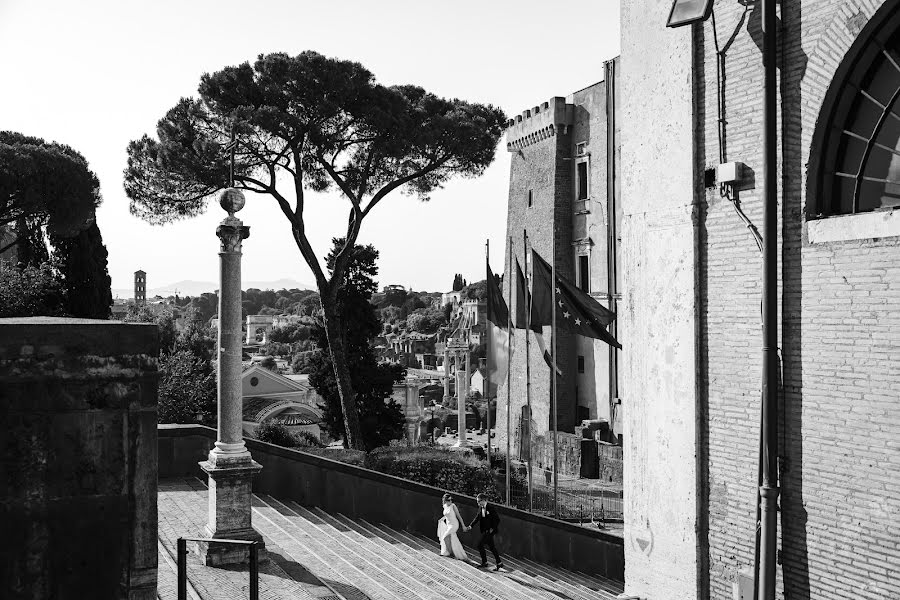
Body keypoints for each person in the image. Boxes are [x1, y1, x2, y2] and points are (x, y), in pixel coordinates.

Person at [467, 493, 504, 571]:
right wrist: (470, 526)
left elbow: (497, 519)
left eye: (479, 501)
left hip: (490, 531)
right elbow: (477, 517)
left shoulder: (490, 508)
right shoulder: (481, 508)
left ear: (484, 500)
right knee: (492, 547)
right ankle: (499, 563)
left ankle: (485, 562)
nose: (478, 503)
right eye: (477, 501)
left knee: (480, 545)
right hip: (485, 531)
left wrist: (492, 529)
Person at [436, 493, 468, 560]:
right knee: (451, 538)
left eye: (451, 499)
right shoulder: (445, 506)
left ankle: (451, 553)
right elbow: (446, 515)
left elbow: (458, 516)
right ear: (445, 500)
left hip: (454, 524)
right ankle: (452, 552)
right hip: (448, 524)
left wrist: (463, 526)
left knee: (444, 537)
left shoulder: (453, 506)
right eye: (448, 500)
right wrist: (442, 519)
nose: (450, 501)